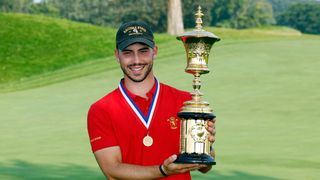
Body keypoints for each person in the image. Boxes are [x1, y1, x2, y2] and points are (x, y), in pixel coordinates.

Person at [87, 21, 216, 180]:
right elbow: (112, 170)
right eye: (128, 52)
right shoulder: (102, 109)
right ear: (117, 55)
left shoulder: (186, 102)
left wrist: (205, 145)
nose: (136, 60)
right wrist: (163, 170)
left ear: (154, 51)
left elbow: (205, 168)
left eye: (143, 51)